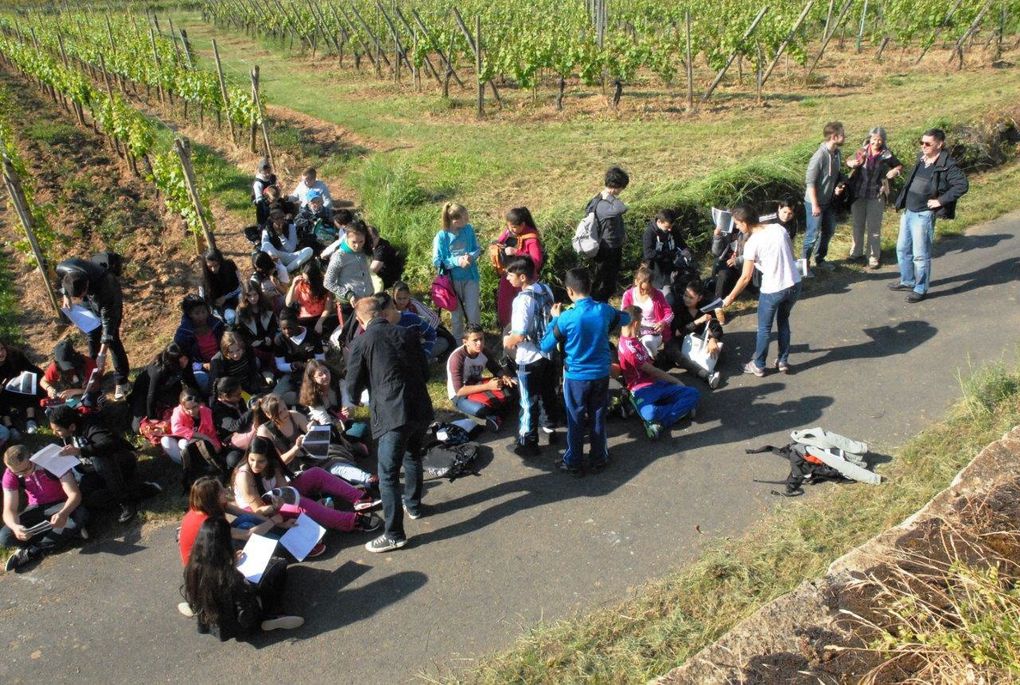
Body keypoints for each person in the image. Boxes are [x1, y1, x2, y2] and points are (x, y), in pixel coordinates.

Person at [346, 294, 434, 552]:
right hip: (419, 408)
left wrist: (357, 398)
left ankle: (394, 534)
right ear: (382, 313)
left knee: (387, 475)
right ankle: (414, 506)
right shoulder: (406, 333)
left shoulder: (361, 342)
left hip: (392, 415)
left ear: (362, 320)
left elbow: (352, 386)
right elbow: (426, 372)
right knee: (413, 456)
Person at [539, 268, 630, 475]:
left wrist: (554, 318)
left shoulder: (566, 318)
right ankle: (599, 458)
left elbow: (545, 345)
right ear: (590, 287)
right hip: (600, 374)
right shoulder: (604, 310)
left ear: (570, 291)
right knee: (598, 416)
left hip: (576, 378)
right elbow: (624, 319)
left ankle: (574, 461)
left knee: (576, 419)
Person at [183, 517, 303, 639]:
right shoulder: (230, 577)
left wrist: (231, 562)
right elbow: (244, 609)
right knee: (278, 566)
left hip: (213, 618)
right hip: (239, 625)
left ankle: (196, 609)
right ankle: (273, 615)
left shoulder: (193, 567)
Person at [231, 437, 379, 533]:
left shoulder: (274, 465)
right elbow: (258, 510)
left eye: (261, 461)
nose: (255, 465)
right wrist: (280, 506)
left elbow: (285, 490)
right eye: (252, 460)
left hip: (274, 498)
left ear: (269, 459)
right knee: (302, 502)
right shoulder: (244, 476)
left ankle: (360, 498)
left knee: (315, 473)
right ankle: (351, 522)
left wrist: (288, 499)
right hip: (260, 510)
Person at [721, 205, 802, 376]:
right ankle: (783, 360)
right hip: (794, 284)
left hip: (773, 288)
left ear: (744, 223)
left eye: (737, 223)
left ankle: (758, 365)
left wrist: (730, 298)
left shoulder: (753, 243)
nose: (736, 227)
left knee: (764, 328)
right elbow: (791, 252)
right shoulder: (778, 228)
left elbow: (745, 277)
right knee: (783, 321)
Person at [890, 128, 969, 303]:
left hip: (923, 216)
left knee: (920, 254)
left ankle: (920, 288)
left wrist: (940, 201)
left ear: (940, 144)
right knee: (902, 249)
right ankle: (908, 280)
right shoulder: (921, 159)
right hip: (908, 211)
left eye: (927, 144)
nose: (923, 146)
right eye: (921, 143)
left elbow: (962, 185)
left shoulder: (948, 165)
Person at [49, 404, 158, 524]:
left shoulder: (90, 425)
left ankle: (125, 501)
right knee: (85, 497)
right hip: (95, 472)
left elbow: (108, 443)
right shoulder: (66, 437)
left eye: (58, 430)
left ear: (72, 426)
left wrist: (81, 451)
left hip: (119, 462)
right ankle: (139, 490)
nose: (55, 433)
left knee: (99, 459)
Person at [502, 256, 559, 457]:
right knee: (547, 393)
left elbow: (518, 333)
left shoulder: (522, 300)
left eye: (510, 274)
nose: (507, 278)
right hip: (547, 353)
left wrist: (507, 341)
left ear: (523, 277)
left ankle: (528, 442)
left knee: (527, 401)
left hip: (528, 357)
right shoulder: (546, 289)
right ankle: (550, 428)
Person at [618, 306, 700, 440]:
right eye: (641, 321)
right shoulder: (629, 349)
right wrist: (675, 380)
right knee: (650, 413)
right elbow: (652, 370)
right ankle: (677, 412)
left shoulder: (632, 338)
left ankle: (660, 422)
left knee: (693, 393)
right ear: (636, 323)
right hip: (639, 389)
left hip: (656, 383)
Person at [2, 445, 87, 573]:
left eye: (26, 469)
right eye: (17, 473)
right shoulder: (11, 473)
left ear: (32, 456)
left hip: (61, 503)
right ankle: (60, 535)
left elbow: (74, 495)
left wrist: (63, 513)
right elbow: (9, 509)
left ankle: (33, 550)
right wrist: (15, 527)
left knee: (81, 515)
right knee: (4, 537)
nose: (23, 474)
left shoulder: (52, 460)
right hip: (36, 507)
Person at [56, 255, 131, 399]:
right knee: (92, 333)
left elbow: (109, 324)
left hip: (106, 297)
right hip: (88, 296)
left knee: (113, 339)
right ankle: (93, 373)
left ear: (86, 286)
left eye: (80, 295)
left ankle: (122, 381)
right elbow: (63, 279)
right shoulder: (62, 268)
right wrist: (66, 295)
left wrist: (102, 354)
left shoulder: (107, 288)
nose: (77, 299)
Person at [178, 477, 275, 568]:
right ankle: (277, 544)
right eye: (221, 491)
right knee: (247, 526)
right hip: (203, 566)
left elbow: (245, 513)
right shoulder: (208, 522)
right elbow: (248, 534)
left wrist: (276, 517)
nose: (226, 490)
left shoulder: (206, 505)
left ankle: (279, 538)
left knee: (245, 518)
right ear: (213, 497)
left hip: (212, 549)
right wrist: (274, 520)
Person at [845, 127, 904, 269]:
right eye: (874, 139)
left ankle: (872, 257)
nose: (876, 142)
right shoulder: (862, 151)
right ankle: (856, 253)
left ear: (883, 141)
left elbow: (899, 165)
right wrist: (852, 163)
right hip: (859, 194)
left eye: (879, 139)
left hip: (876, 195)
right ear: (869, 139)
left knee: (874, 227)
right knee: (857, 225)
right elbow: (849, 160)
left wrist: (895, 171)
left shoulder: (887, 155)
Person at [446, 324, 517, 430]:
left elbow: (496, 369)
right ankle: (495, 415)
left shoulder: (483, 351)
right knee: (481, 409)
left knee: (514, 389)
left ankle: (496, 416)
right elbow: (459, 391)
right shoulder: (457, 359)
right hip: (460, 395)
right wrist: (488, 386)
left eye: (481, 339)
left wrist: (505, 377)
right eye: (475, 340)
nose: (479, 343)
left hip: (478, 384)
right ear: (465, 342)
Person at [130, 342, 200, 441]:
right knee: (137, 427)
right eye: (181, 361)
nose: (185, 362)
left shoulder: (186, 362)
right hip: (144, 393)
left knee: (182, 411)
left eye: (186, 359)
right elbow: (151, 395)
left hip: (168, 389)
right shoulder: (158, 370)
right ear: (173, 361)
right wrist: (152, 417)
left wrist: (201, 399)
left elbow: (191, 381)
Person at [432, 202, 481, 340]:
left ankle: (476, 339)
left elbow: (477, 248)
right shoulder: (442, 237)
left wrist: (472, 257)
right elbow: (437, 261)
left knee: (473, 312)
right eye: (465, 218)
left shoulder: (468, 230)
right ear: (455, 221)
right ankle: (458, 343)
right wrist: (458, 261)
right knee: (456, 315)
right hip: (452, 282)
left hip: (471, 278)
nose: (468, 220)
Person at [802, 121, 847, 271]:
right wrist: (814, 204)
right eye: (842, 134)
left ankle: (820, 259)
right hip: (815, 203)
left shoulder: (837, 154)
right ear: (834, 137)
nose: (845, 137)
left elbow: (836, 175)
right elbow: (810, 182)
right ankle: (804, 265)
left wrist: (837, 187)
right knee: (812, 235)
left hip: (829, 201)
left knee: (829, 231)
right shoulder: (819, 156)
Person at [666, 280, 724, 389]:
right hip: (681, 340)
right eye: (685, 295)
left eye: (691, 297)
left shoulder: (705, 307)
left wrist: (713, 339)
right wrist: (697, 322)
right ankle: (705, 375)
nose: (686, 299)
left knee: (716, 352)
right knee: (671, 350)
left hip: (699, 341)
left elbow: (716, 328)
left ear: (700, 298)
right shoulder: (677, 307)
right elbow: (677, 332)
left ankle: (695, 365)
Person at [492, 207, 543, 329]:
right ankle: (506, 329)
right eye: (508, 226)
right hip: (509, 275)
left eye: (514, 227)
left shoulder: (531, 238)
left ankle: (524, 331)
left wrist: (517, 252)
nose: (511, 229)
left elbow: (536, 261)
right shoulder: (509, 232)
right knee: (505, 303)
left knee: (524, 306)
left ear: (523, 224)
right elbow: (499, 242)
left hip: (525, 279)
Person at [586, 166, 630, 302]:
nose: (621, 191)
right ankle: (599, 306)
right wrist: (609, 196)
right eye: (621, 187)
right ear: (615, 186)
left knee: (608, 281)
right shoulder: (603, 203)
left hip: (612, 246)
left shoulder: (602, 200)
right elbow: (622, 208)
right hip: (607, 249)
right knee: (604, 283)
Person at [324, 222, 375, 338]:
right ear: (346, 237)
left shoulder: (364, 251)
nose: (357, 246)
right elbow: (328, 282)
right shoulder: (339, 256)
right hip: (348, 304)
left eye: (361, 241)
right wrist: (348, 294)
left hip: (367, 299)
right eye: (354, 242)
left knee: (369, 333)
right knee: (350, 335)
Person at [173, 294, 225, 394]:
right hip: (200, 368)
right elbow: (183, 362)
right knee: (202, 379)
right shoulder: (184, 335)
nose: (201, 316)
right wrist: (202, 366)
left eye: (203, 312)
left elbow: (226, 344)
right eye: (197, 313)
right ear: (189, 314)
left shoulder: (216, 325)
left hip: (221, 360)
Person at [272, 311, 325, 405]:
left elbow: (321, 360)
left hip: (312, 372)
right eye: (283, 329)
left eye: (290, 328)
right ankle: (305, 400)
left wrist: (309, 366)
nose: (287, 332)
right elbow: (280, 365)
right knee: (276, 397)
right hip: (291, 373)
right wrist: (293, 365)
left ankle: (310, 399)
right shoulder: (279, 339)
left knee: (324, 389)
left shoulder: (312, 335)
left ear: (297, 323)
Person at [392, 281, 454, 362]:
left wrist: (424, 333)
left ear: (409, 296)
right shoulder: (390, 308)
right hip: (399, 345)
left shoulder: (413, 304)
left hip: (419, 341)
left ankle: (423, 360)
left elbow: (434, 318)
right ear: (393, 296)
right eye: (399, 298)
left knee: (443, 342)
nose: (402, 302)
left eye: (405, 298)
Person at [620, 266, 673, 358]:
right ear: (636, 282)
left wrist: (663, 322)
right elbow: (624, 315)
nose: (643, 291)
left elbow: (670, 314)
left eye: (647, 289)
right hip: (633, 331)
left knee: (648, 342)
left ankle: (653, 360)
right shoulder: (628, 295)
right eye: (641, 288)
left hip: (652, 333)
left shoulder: (658, 295)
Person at [642, 208, 691, 308]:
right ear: (659, 222)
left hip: (673, 268)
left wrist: (686, 252)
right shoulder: (649, 233)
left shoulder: (672, 229)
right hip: (658, 272)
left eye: (671, 226)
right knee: (669, 301)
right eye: (667, 227)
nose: (670, 229)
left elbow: (681, 244)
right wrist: (667, 254)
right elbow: (648, 254)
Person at [0, 340, 45, 435]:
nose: (1, 353)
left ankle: (30, 418)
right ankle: (9, 425)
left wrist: (24, 376)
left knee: (28, 383)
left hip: (19, 385)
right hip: (4, 392)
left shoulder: (14, 355)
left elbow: (31, 370)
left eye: (2, 349)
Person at [285, 259, 337, 338]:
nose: (305, 282)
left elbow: (328, 308)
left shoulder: (324, 286)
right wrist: (293, 285)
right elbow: (288, 303)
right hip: (304, 319)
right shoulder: (300, 285)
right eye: (304, 279)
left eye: (308, 280)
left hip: (320, 317)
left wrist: (320, 322)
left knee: (333, 322)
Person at [208, 331, 266, 397]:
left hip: (248, 383)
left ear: (242, 347)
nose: (235, 355)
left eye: (238, 350)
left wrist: (255, 388)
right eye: (231, 352)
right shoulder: (217, 361)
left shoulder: (248, 350)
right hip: (232, 391)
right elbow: (214, 388)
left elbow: (253, 371)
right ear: (225, 350)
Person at [40, 339, 97, 406]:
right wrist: (49, 388)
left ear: (75, 356)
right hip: (68, 398)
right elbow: (43, 381)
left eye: (70, 364)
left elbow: (95, 388)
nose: (68, 368)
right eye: (64, 365)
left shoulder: (88, 363)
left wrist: (75, 391)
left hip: (85, 394)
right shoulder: (55, 367)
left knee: (89, 403)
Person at [235, 286, 278, 368]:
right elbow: (240, 332)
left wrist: (270, 336)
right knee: (256, 362)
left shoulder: (267, 305)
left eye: (255, 294)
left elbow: (274, 325)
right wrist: (251, 342)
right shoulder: (241, 311)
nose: (253, 298)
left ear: (259, 294)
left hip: (269, 340)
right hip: (253, 345)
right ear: (245, 297)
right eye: (249, 296)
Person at [261, 209, 314, 275]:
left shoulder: (290, 226)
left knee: (309, 250)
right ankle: (279, 267)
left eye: (282, 217)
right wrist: (272, 256)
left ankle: (286, 270)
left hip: (288, 255)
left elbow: (291, 249)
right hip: (274, 257)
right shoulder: (267, 230)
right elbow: (264, 248)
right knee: (266, 244)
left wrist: (281, 235)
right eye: (277, 218)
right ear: (272, 220)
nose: (281, 220)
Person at [201, 249, 245, 324]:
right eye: (209, 266)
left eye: (216, 265)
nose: (213, 269)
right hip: (221, 306)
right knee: (232, 317)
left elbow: (240, 286)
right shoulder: (204, 279)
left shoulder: (230, 266)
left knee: (245, 309)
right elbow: (203, 300)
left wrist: (225, 297)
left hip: (235, 295)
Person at [248, 250, 288, 314]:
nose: (258, 270)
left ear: (266, 265)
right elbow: (253, 292)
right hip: (264, 301)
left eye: (259, 267)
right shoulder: (258, 273)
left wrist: (276, 285)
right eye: (256, 267)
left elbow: (284, 292)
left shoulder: (281, 270)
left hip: (279, 299)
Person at [367, 224, 405, 291]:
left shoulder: (382, 248)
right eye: (367, 240)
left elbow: (373, 270)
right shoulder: (372, 246)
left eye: (372, 239)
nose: (370, 242)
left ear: (378, 236)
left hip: (388, 277)